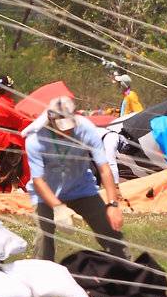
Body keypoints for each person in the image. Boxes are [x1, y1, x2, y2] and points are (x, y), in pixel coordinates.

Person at [24, 94, 130, 263]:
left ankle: (126, 269)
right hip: (47, 193)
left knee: (108, 230)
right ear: (50, 121)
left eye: (69, 125)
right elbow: (38, 180)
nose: (67, 130)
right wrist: (58, 208)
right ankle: (42, 278)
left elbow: (104, 168)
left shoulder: (86, 129)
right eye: (61, 126)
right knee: (44, 236)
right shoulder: (35, 140)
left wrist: (112, 204)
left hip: (81, 187)